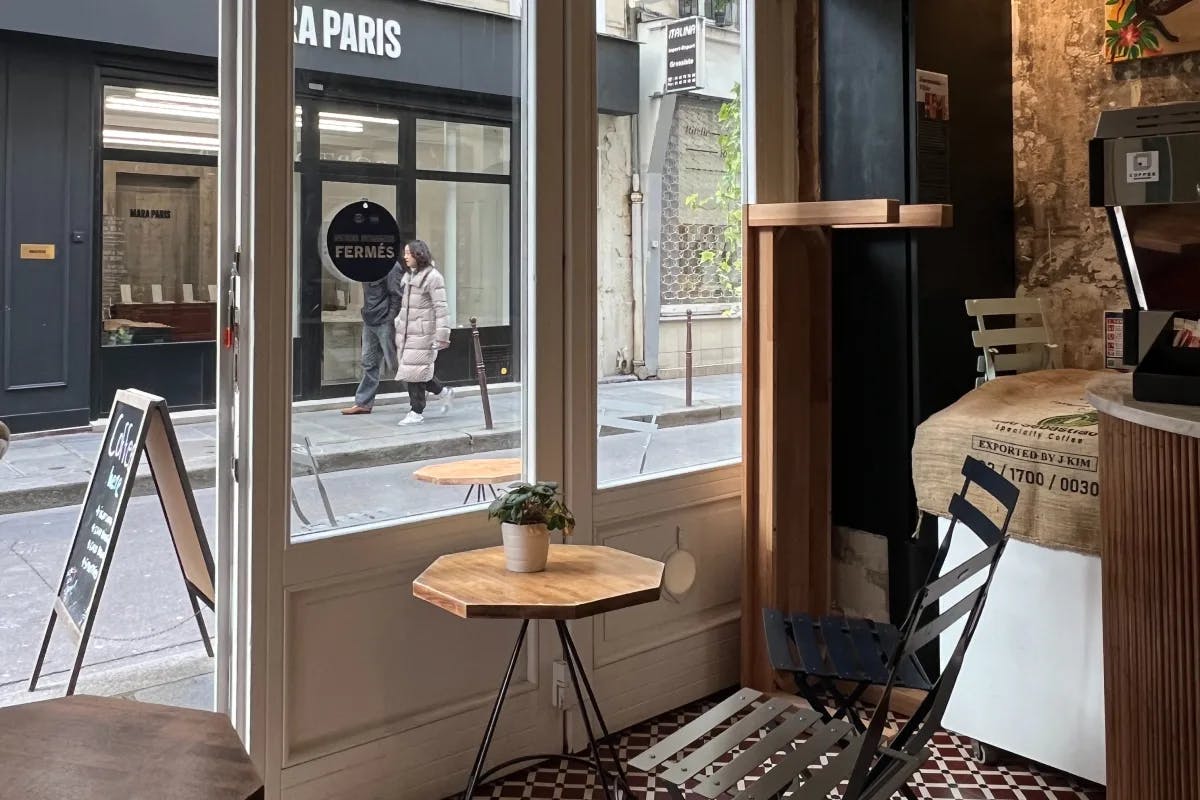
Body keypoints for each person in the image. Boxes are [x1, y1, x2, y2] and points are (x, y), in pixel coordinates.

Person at [394, 240, 453, 426]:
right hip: (408, 333)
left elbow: (441, 308)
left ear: (418, 255)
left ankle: (416, 411)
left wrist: (442, 336)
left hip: (423, 334)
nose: (405, 257)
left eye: (408, 253)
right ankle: (444, 393)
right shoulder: (410, 276)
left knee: (415, 373)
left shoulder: (433, 278)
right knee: (415, 371)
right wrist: (399, 321)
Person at [341, 261, 404, 415]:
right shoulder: (367, 266)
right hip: (369, 320)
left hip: (385, 322)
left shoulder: (392, 266)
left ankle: (420, 395)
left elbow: (396, 295)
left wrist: (390, 320)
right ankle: (363, 403)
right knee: (368, 362)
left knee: (396, 363)